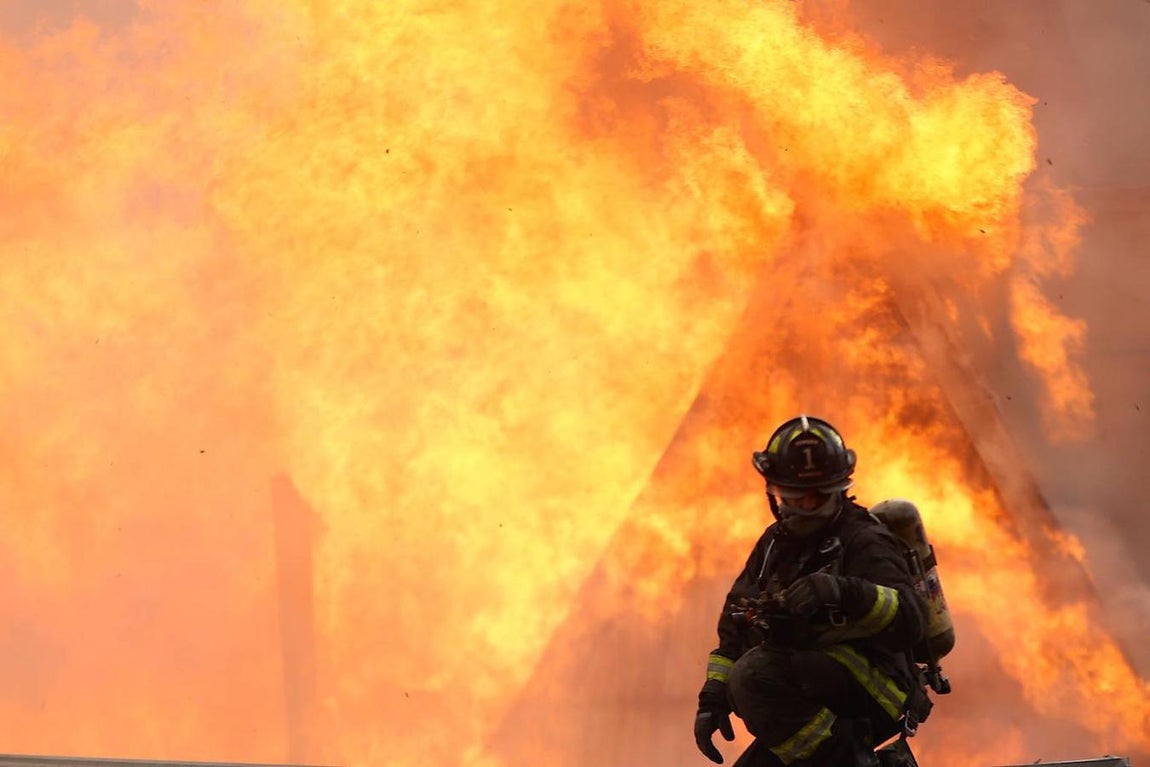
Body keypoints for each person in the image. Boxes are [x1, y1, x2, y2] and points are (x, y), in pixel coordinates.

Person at [693, 415, 930, 767]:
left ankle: (849, 762)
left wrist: (844, 592)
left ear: (838, 489)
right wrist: (713, 698)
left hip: (877, 687)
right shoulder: (774, 546)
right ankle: (845, 757)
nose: (806, 506)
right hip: (812, 686)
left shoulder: (864, 540)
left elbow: (913, 617)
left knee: (753, 675)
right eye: (795, 496)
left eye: (817, 496)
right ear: (775, 492)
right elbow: (736, 624)